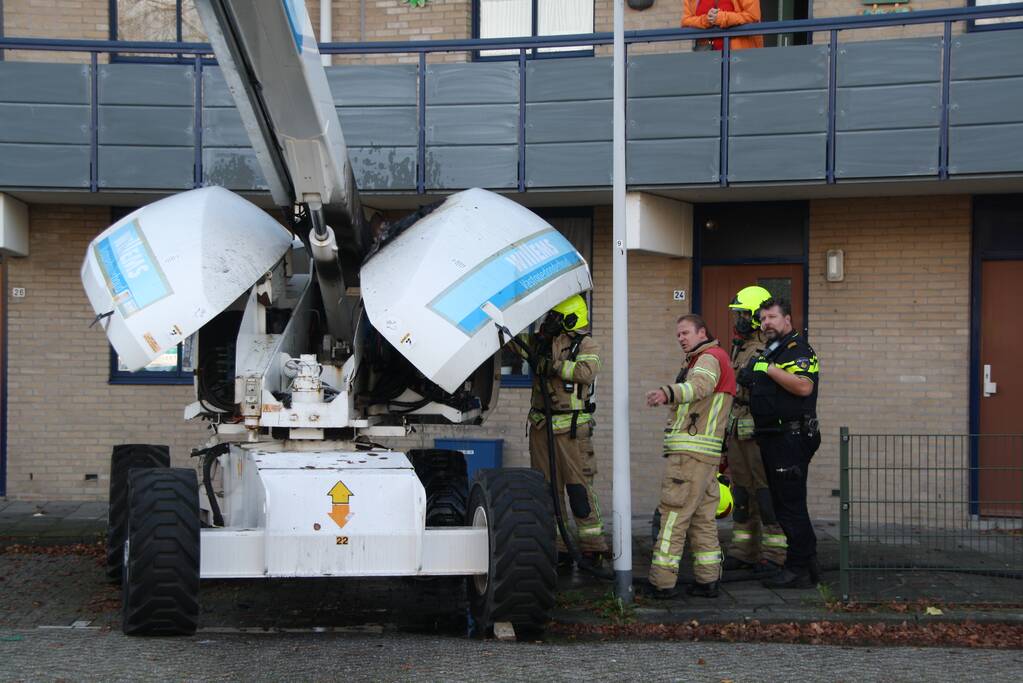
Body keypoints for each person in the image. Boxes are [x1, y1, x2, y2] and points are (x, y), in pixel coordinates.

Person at [642, 314, 735, 599]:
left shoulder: (708, 358)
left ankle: (662, 583)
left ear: (702, 332)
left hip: (689, 454)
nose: (681, 338)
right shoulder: (711, 358)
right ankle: (708, 581)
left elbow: (700, 387)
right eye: (678, 335)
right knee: (703, 519)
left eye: (685, 333)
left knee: (673, 516)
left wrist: (666, 393)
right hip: (706, 455)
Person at [520, 294, 609, 563]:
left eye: (555, 317)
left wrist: (554, 366)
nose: (549, 321)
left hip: (572, 429)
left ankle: (592, 545)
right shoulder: (539, 341)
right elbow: (512, 346)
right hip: (541, 424)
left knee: (578, 488)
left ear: (570, 319)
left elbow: (587, 372)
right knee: (547, 489)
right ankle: (557, 546)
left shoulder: (586, 343)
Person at [743, 297, 820, 588]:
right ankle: (806, 563)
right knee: (784, 502)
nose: (766, 324)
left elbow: (803, 386)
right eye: (763, 319)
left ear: (787, 319)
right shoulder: (773, 350)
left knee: (790, 504)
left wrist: (767, 369)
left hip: (792, 437)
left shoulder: (797, 349)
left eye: (772, 317)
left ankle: (798, 568)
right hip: (774, 437)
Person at [722, 286, 788, 574]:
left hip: (760, 436)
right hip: (737, 432)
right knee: (741, 494)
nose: (737, 320)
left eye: (742, 314)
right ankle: (742, 551)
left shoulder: (770, 349)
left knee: (765, 494)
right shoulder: (740, 346)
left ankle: (774, 554)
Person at [682, 0, 764, 51]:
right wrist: (706, 20)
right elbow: (685, 22)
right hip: (706, 58)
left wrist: (722, 17)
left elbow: (753, 17)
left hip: (739, 58)